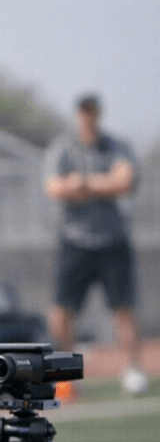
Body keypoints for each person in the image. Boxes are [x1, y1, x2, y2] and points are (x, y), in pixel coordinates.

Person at [44, 94, 146, 395]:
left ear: (98, 115)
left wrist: (83, 183)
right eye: (83, 113)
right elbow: (54, 187)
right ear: (78, 115)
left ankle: (133, 369)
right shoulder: (62, 147)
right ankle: (64, 373)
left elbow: (124, 183)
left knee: (124, 308)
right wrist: (101, 184)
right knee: (62, 310)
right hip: (74, 242)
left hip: (112, 241)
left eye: (92, 113)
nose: (88, 118)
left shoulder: (116, 146)